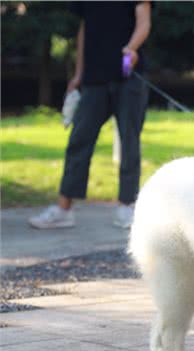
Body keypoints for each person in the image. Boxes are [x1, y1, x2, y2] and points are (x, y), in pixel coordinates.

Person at [29, 1, 151, 229]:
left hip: (129, 78)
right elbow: (85, 30)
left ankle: (126, 207)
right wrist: (78, 74)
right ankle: (64, 209)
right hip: (94, 79)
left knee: (129, 143)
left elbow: (144, 22)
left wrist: (132, 48)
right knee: (79, 139)